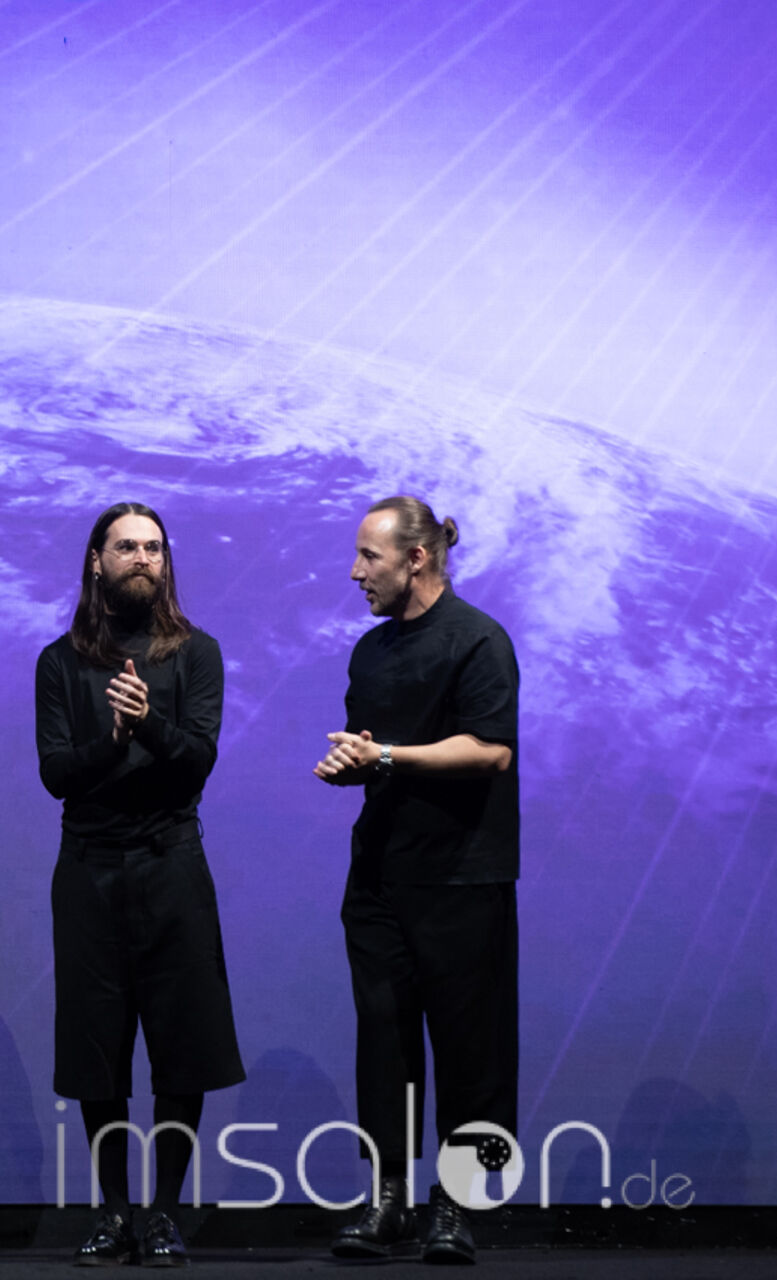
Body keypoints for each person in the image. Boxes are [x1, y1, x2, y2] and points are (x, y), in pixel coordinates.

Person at [35, 501, 246, 1267]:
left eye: (154, 547)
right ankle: (115, 1210)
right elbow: (57, 773)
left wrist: (147, 724)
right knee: (97, 1045)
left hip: (171, 861)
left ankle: (162, 1212)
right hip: (89, 867)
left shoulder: (197, 652)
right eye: (126, 546)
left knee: (182, 1042)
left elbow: (198, 761)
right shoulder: (60, 662)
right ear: (97, 561)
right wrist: (114, 737)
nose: (142, 559)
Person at [313, 497, 519, 1267]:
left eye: (369, 556)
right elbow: (375, 754)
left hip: (463, 878)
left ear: (417, 558)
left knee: (470, 1048)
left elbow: (492, 749)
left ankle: (457, 1206)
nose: (355, 571)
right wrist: (353, 765)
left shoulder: (479, 640)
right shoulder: (371, 652)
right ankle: (389, 1200)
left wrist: (388, 757)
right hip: (380, 879)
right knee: (384, 1042)